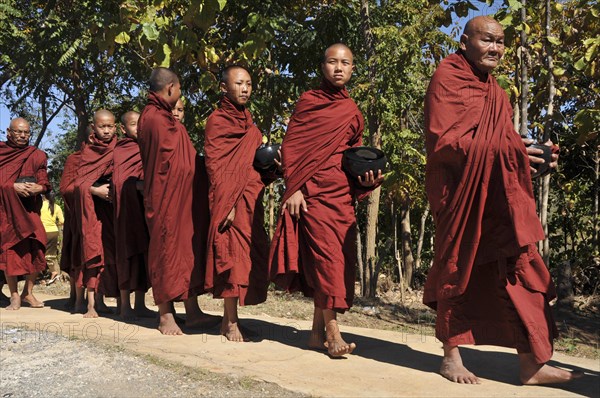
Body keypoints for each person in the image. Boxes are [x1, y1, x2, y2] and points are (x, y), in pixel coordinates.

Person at [422, 16, 581, 385]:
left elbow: (503, 145)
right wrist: (513, 151)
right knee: (456, 266)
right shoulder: (448, 77)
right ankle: (451, 357)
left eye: (501, 42)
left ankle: (531, 364)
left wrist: (532, 159)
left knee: (519, 267)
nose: (495, 48)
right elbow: (446, 141)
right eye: (487, 40)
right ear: (465, 42)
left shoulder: (497, 92)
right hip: (459, 192)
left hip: (496, 198)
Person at [269, 44, 383, 356]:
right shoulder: (309, 102)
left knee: (339, 260)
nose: (338, 68)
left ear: (352, 69)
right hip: (312, 194)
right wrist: (292, 188)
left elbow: (353, 158)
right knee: (326, 261)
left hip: (341, 196)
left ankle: (315, 334)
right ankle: (333, 334)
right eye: (332, 62)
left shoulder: (353, 113)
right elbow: (291, 145)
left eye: (345, 63)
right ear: (323, 66)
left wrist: (367, 180)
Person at [137, 67, 219, 335]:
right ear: (171, 87)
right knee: (166, 252)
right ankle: (165, 314)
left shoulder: (164, 118)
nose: (181, 93)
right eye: (180, 88)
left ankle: (192, 312)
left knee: (186, 251)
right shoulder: (155, 118)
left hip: (181, 198)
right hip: (165, 199)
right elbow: (165, 164)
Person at [204, 66, 273, 341]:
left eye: (249, 84)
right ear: (224, 88)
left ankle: (228, 320)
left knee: (247, 257)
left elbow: (250, 163)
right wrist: (228, 202)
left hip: (249, 199)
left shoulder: (250, 124)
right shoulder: (217, 121)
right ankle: (231, 322)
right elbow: (215, 166)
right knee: (231, 257)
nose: (245, 88)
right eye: (239, 83)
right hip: (228, 200)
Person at [0, 117, 50, 310]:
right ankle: (14, 295)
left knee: (38, 243)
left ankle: (28, 292)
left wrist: (39, 187)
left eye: (26, 132)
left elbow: (44, 181)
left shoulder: (37, 155)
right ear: (8, 132)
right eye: (18, 132)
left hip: (29, 209)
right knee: (9, 250)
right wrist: (12, 187)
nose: (22, 136)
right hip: (7, 211)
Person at [73, 110, 117, 318]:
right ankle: (91, 304)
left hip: (112, 212)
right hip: (93, 213)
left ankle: (101, 299)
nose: (106, 131)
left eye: (110, 126)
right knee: (92, 253)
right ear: (94, 127)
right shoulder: (88, 152)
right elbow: (79, 184)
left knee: (108, 254)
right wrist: (94, 190)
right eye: (102, 127)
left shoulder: (121, 148)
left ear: (116, 127)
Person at [112, 111, 154, 320]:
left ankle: (140, 303)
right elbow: (119, 182)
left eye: (141, 124)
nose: (139, 128)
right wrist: (137, 185)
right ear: (123, 129)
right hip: (125, 213)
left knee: (143, 255)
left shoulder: (147, 147)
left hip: (143, 210)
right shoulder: (121, 150)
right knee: (127, 255)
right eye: (134, 125)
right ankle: (125, 305)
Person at [59, 128, 92, 312]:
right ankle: (75, 296)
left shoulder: (110, 157)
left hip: (99, 216)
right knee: (77, 257)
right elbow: (66, 188)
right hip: (77, 216)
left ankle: (97, 300)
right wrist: (89, 189)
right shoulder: (75, 159)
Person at [40, 191, 64, 284]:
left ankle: (53, 273)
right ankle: (54, 273)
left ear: (44, 196)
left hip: (43, 232)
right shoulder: (57, 207)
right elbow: (62, 221)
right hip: (54, 231)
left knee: (43, 253)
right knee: (51, 253)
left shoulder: (41, 206)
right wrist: (55, 224)